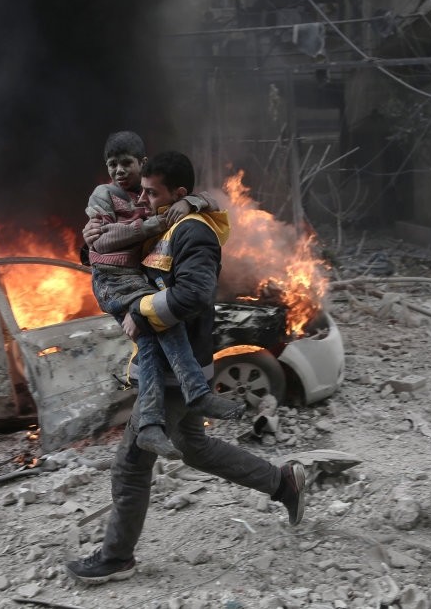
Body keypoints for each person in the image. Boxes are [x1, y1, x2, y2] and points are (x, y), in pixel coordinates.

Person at [66, 150, 307, 585]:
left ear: (177, 193)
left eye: (152, 192)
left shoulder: (193, 233)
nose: (143, 197)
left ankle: (116, 557)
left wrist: (139, 313)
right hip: (173, 361)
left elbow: (193, 295)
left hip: (181, 371)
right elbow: (134, 256)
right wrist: (94, 245)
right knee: (194, 446)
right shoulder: (169, 221)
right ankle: (282, 483)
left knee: (131, 464)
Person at [85, 131, 244, 461]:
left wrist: (191, 202)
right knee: (187, 446)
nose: (119, 171)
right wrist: (90, 244)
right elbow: (101, 242)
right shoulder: (119, 199)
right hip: (121, 289)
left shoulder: (186, 225)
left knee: (159, 460)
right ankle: (179, 407)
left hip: (173, 350)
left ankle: (156, 424)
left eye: (125, 163)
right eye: (111, 165)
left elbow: (192, 292)